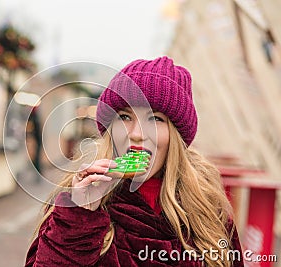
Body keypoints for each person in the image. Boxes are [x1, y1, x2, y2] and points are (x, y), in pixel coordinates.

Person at [25, 57, 244, 267]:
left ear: (176, 135)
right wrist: (79, 217)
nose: (137, 134)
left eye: (156, 119)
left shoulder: (208, 213)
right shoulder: (74, 203)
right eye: (125, 116)